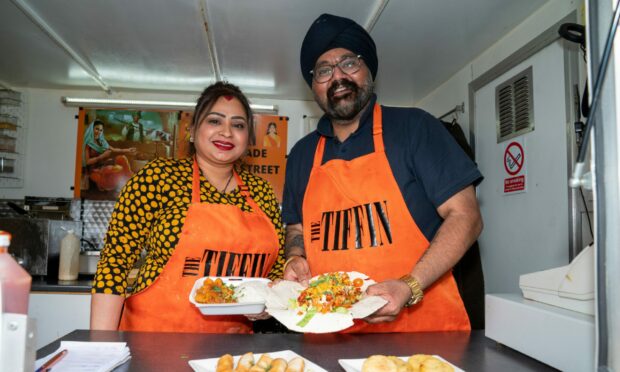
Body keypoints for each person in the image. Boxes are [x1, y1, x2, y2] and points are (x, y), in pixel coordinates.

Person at [282, 13, 484, 333]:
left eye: (349, 63)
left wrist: (409, 286)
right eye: (324, 70)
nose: (337, 76)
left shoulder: (415, 128)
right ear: (314, 86)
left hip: (423, 337)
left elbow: (466, 216)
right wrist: (294, 258)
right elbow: (297, 229)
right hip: (328, 334)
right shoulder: (302, 155)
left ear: (369, 72)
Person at [90, 82, 286, 333]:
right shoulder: (158, 178)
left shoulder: (262, 194)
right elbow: (113, 265)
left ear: (248, 139)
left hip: (231, 351)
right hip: (153, 342)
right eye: (215, 121)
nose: (226, 132)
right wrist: (100, 347)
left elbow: (275, 276)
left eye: (238, 125)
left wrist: (266, 306)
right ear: (192, 131)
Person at [82, 120, 137, 191]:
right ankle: (114, 183)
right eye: (97, 129)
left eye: (101, 130)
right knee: (115, 170)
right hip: (93, 170)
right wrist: (102, 156)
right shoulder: (87, 144)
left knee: (121, 158)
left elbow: (114, 149)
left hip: (103, 165)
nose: (98, 132)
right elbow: (87, 162)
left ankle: (130, 177)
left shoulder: (101, 141)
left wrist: (128, 150)